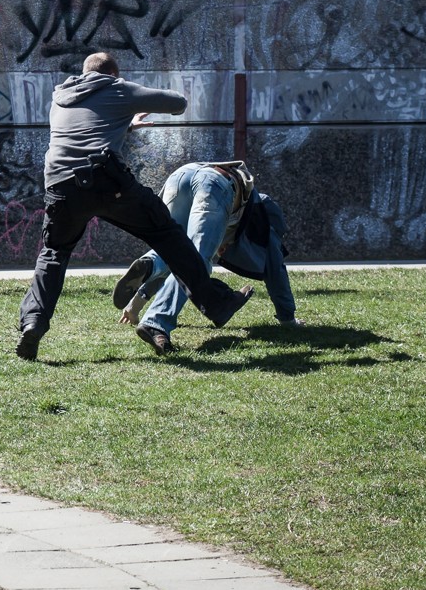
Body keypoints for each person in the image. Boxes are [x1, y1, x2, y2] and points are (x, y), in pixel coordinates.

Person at [16, 52, 251, 361]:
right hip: (107, 182)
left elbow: (84, 131)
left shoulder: (60, 97)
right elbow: (177, 103)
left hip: (61, 186)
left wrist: (124, 124)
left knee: (54, 254)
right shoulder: (118, 89)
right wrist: (127, 94)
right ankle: (217, 303)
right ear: (113, 75)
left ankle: (33, 321)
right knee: (168, 236)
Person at [114, 161, 302, 355]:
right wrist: (287, 318)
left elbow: (175, 263)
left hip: (180, 176)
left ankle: (151, 264)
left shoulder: (247, 208)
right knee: (195, 262)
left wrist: (134, 306)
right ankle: (157, 322)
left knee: (174, 250)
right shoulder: (264, 220)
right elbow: (275, 268)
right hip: (215, 184)